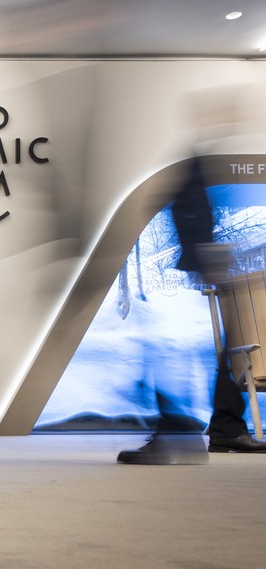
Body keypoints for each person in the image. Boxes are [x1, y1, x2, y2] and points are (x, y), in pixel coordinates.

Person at [117, 156, 266, 464]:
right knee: (202, 347)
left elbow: (192, 203)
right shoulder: (192, 158)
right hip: (198, 260)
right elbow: (192, 203)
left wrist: (202, 257)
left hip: (195, 264)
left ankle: (188, 431)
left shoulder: (188, 160)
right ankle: (218, 428)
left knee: (181, 344)